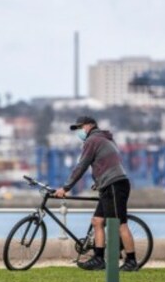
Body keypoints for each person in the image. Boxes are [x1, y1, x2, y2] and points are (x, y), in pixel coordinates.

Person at [54, 116, 139, 272]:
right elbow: (107, 163)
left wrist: (65, 188)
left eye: (80, 128)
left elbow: (82, 166)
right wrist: (99, 181)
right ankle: (99, 259)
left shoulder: (92, 140)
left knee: (119, 224)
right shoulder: (104, 139)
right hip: (110, 184)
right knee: (97, 221)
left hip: (114, 185)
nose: (79, 132)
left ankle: (131, 261)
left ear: (89, 126)